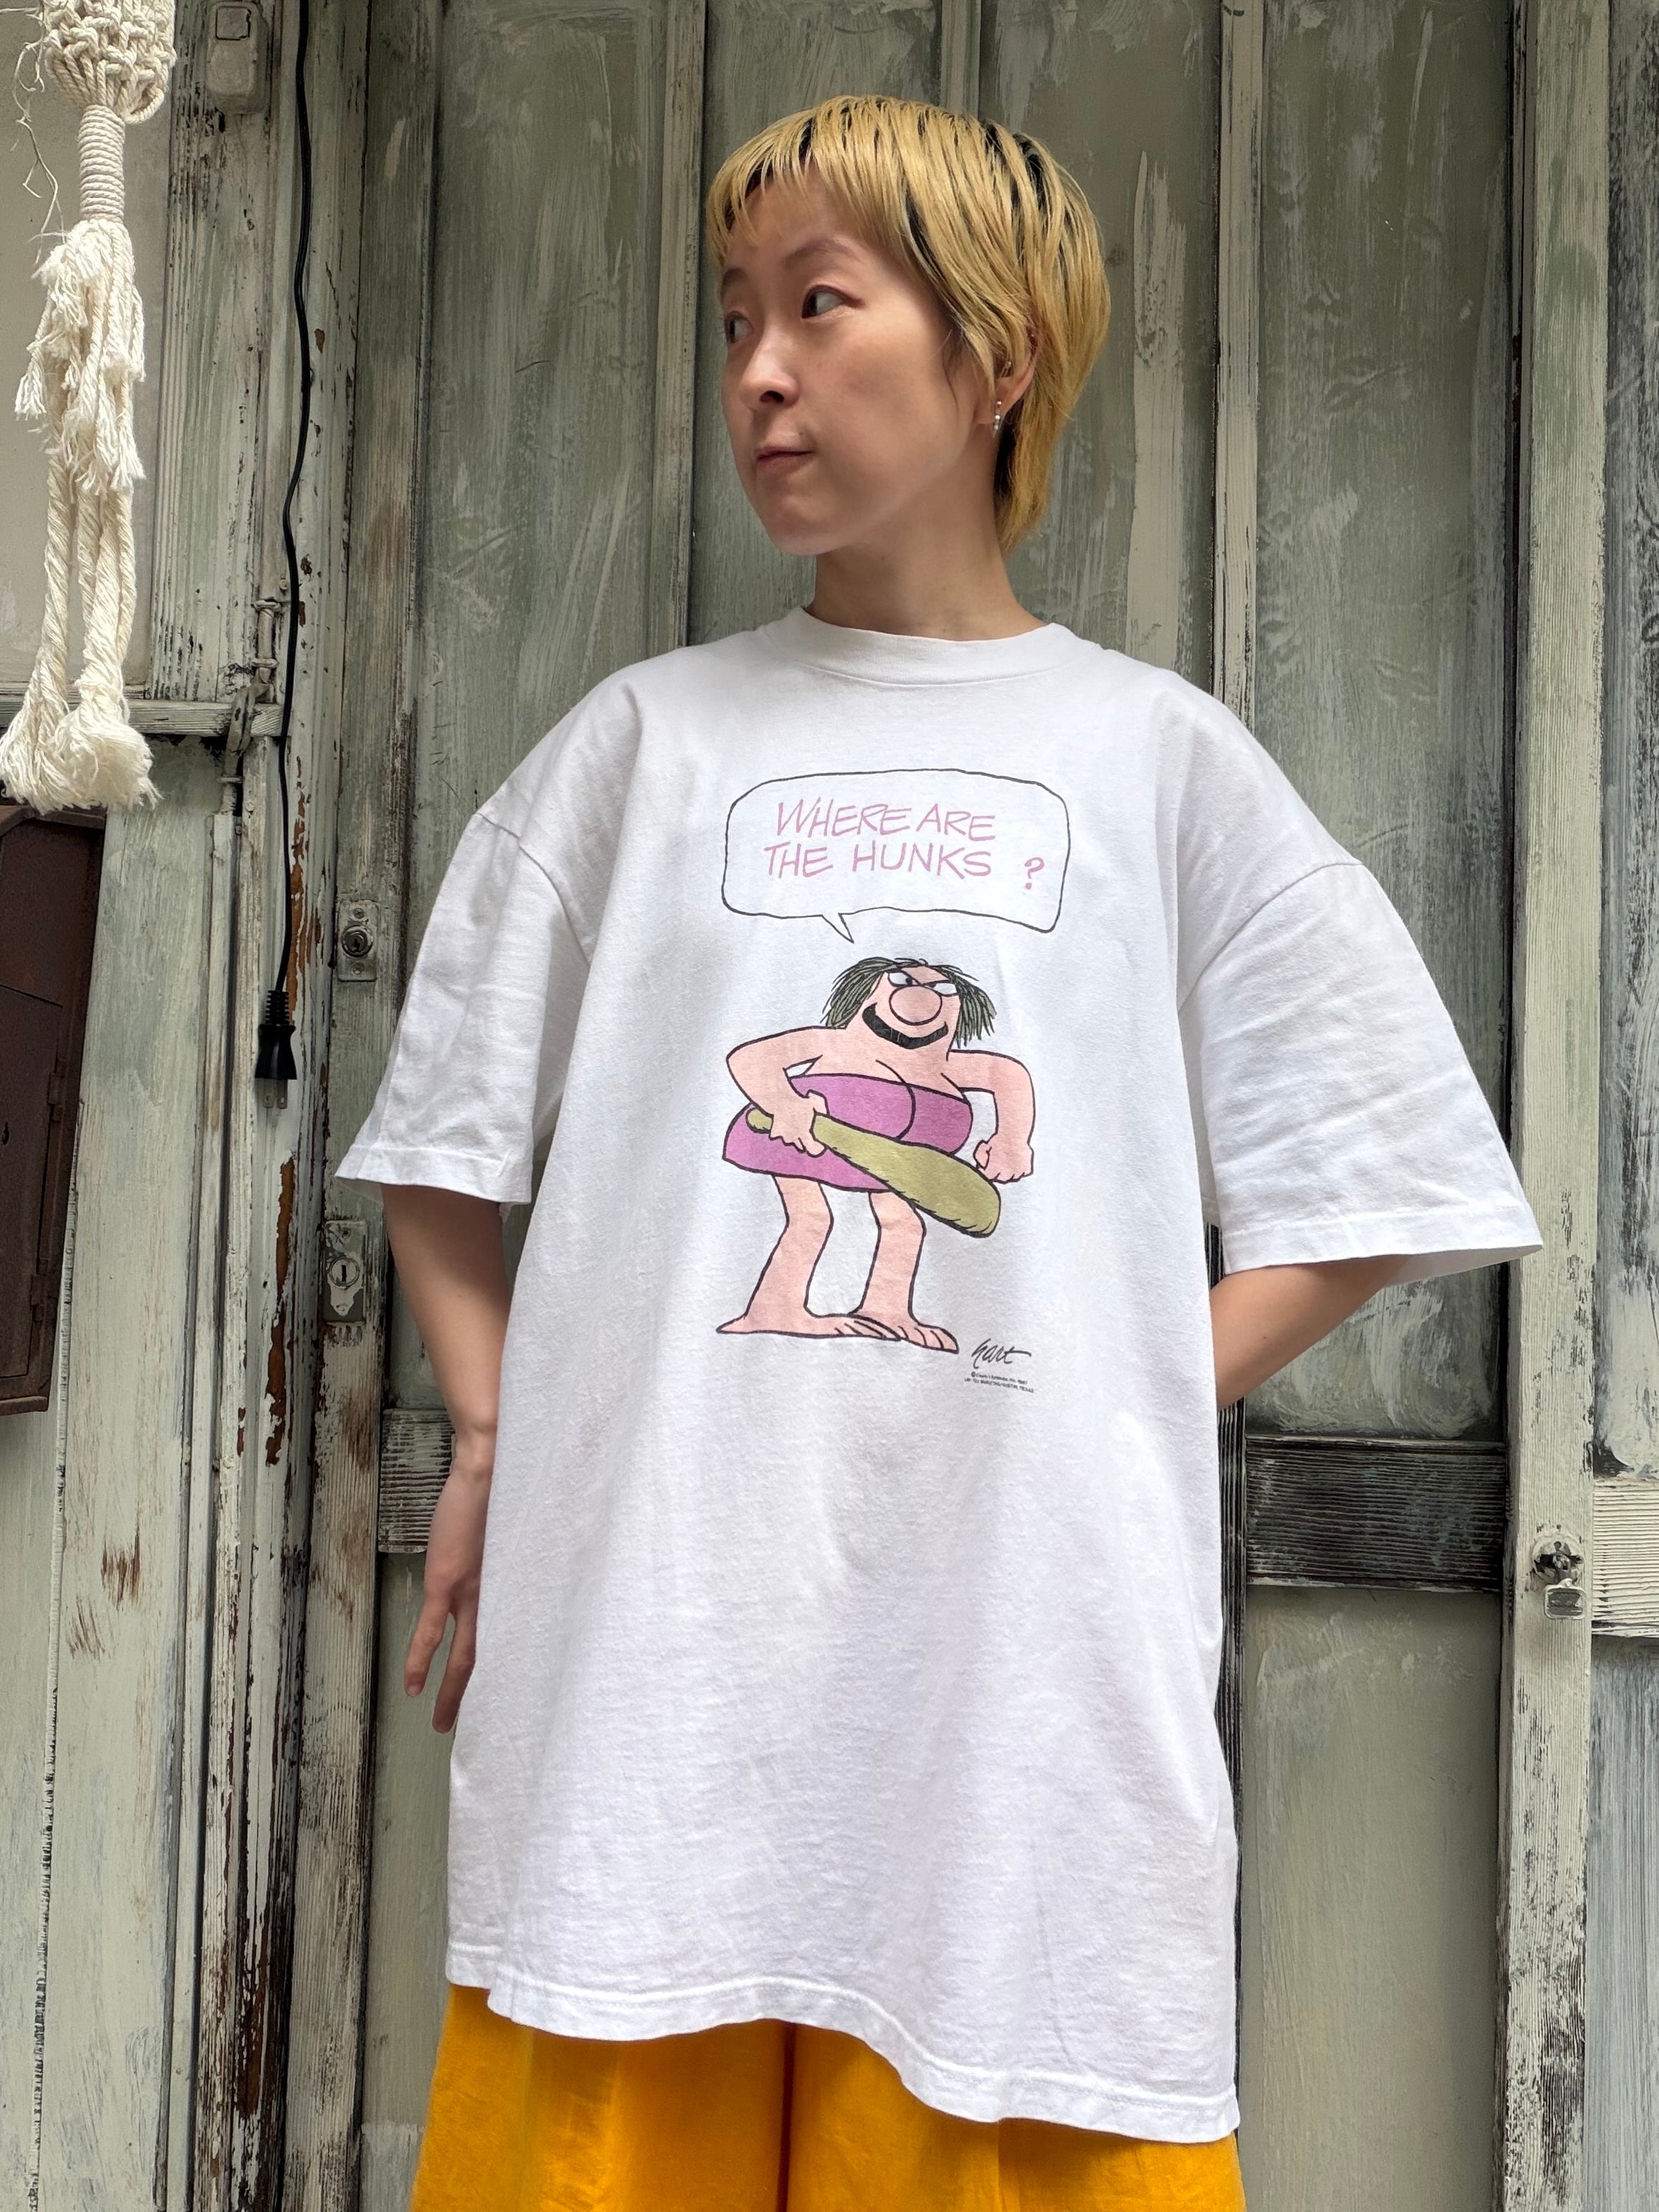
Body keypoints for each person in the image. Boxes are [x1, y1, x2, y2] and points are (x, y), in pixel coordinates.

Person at [335, 94, 1542, 2212]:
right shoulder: (644, 743)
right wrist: (496, 1427)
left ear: (998, 359)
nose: (759, 373)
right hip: (648, 1669)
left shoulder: (1157, 762)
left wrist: (1118, 1382)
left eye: (820, 305)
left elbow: (1381, 1176)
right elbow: (445, 1129)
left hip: (1015, 1686)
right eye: (735, 318)